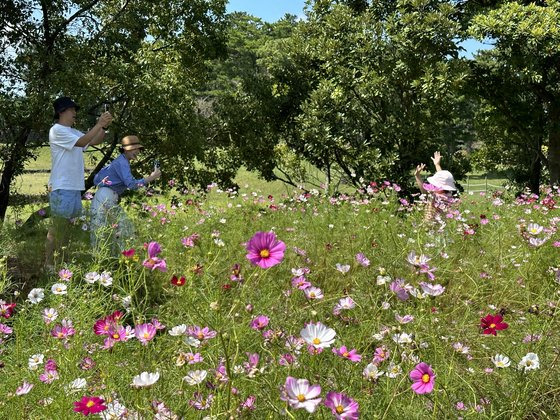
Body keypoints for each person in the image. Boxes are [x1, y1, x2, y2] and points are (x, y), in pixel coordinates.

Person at [46, 96, 113, 268]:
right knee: (57, 227)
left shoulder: (72, 132)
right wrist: (98, 124)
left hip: (73, 187)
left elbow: (94, 140)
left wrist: (104, 127)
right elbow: (83, 141)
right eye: (72, 109)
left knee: (67, 228)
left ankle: (61, 262)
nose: (75, 113)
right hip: (62, 186)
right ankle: (49, 264)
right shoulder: (57, 130)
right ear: (61, 112)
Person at [90, 135, 161, 255]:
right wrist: (151, 177)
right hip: (106, 196)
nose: (138, 152)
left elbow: (96, 179)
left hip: (104, 196)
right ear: (127, 149)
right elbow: (132, 184)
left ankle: (110, 259)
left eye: (138, 149)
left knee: (104, 230)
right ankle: (124, 257)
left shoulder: (120, 161)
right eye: (135, 149)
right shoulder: (122, 162)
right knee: (124, 227)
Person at [414, 151, 457, 222]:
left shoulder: (437, 197)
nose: (433, 185)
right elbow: (443, 180)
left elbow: (424, 191)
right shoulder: (448, 194)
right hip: (442, 225)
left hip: (432, 225)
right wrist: (437, 165)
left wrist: (417, 176)